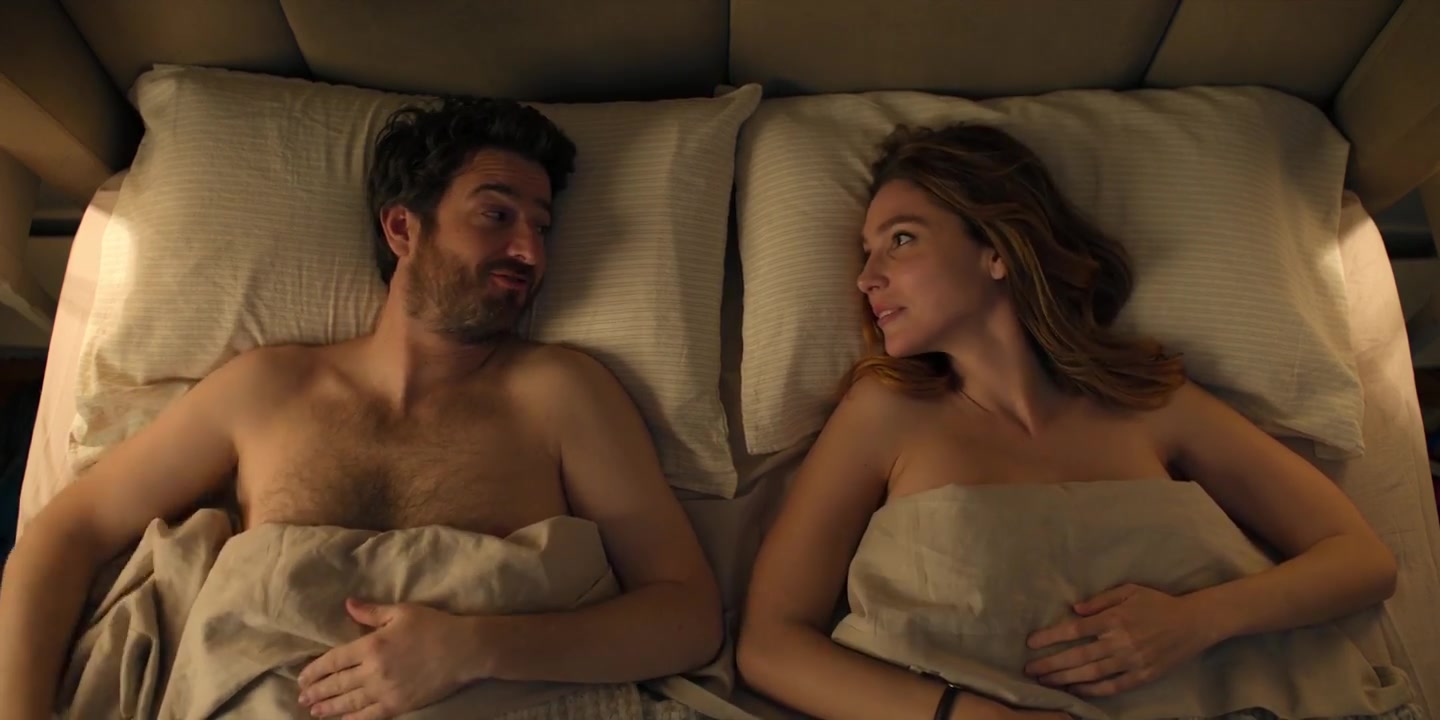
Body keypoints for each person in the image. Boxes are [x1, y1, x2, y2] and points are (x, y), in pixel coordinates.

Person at [0, 97, 723, 720]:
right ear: (403, 229)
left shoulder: (562, 393)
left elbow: (688, 615)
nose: (529, 250)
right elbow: (67, 532)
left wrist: (478, 647)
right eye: (496, 214)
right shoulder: (268, 389)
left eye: (543, 226)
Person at [737, 123, 1400, 720]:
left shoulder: (1150, 400)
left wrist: (1197, 620)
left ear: (996, 251)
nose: (865, 278)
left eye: (901, 240)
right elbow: (769, 644)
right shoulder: (883, 413)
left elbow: (1361, 559)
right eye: (866, 251)